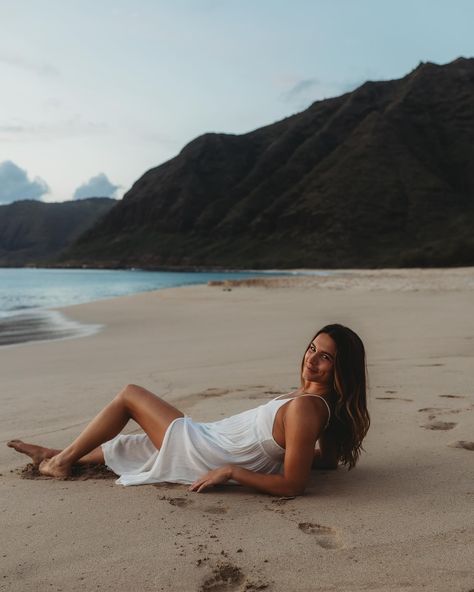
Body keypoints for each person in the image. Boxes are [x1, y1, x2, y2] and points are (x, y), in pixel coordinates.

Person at [7, 323, 370, 496]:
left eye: (326, 357)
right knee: (141, 445)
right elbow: (325, 460)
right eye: (312, 348)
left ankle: (59, 462)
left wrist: (232, 471)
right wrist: (296, 454)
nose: (313, 360)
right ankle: (57, 453)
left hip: (209, 452)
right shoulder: (314, 402)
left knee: (131, 395)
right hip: (210, 439)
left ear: (341, 368)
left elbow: (293, 485)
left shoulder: (308, 409)